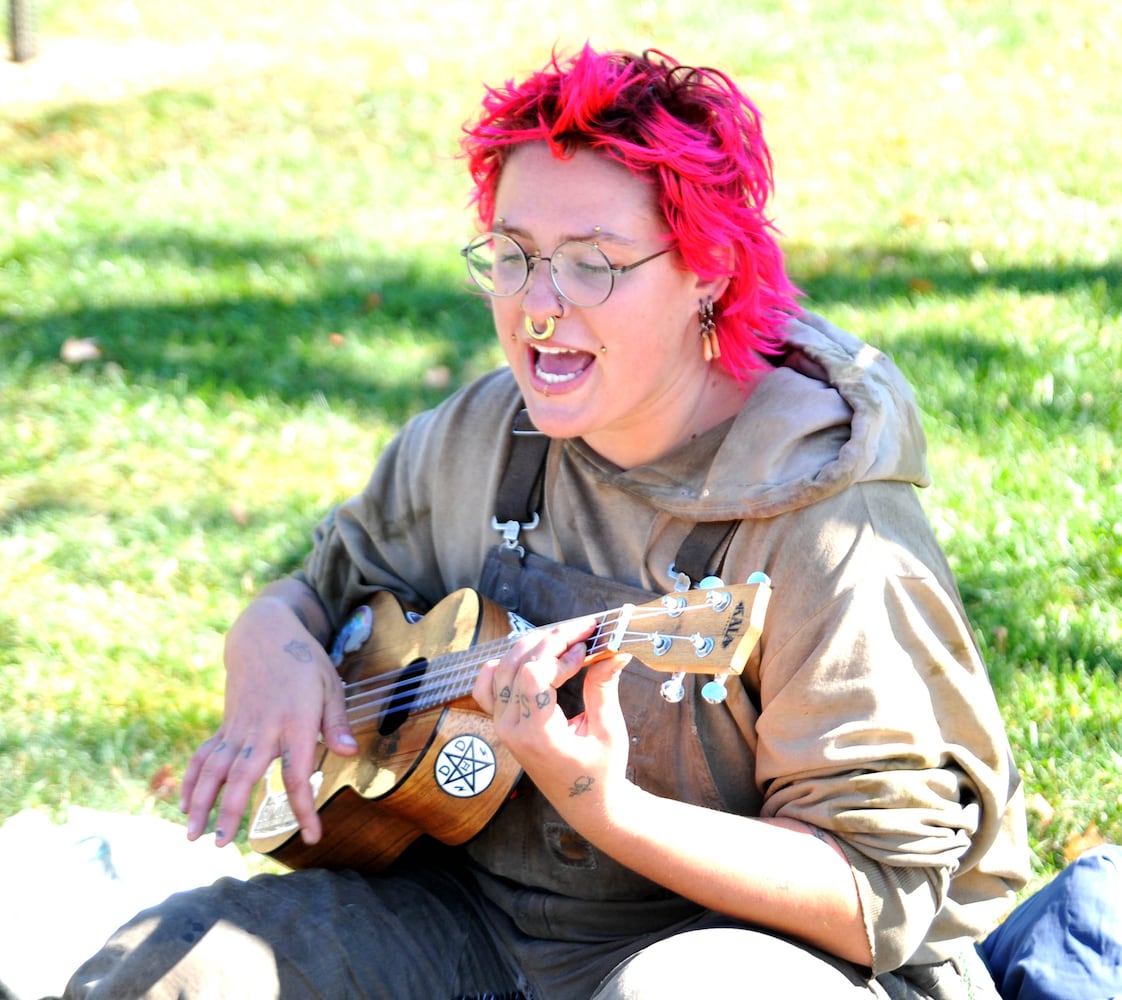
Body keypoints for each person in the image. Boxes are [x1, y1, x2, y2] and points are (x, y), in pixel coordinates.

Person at [60, 44, 1031, 999]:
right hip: (472, 921)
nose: (536, 308)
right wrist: (265, 644)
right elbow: (326, 586)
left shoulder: (827, 515)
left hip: (754, 957)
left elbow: (878, 894)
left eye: (594, 264)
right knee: (180, 964)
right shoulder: (483, 432)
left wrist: (601, 805)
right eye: (514, 256)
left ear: (710, 267)